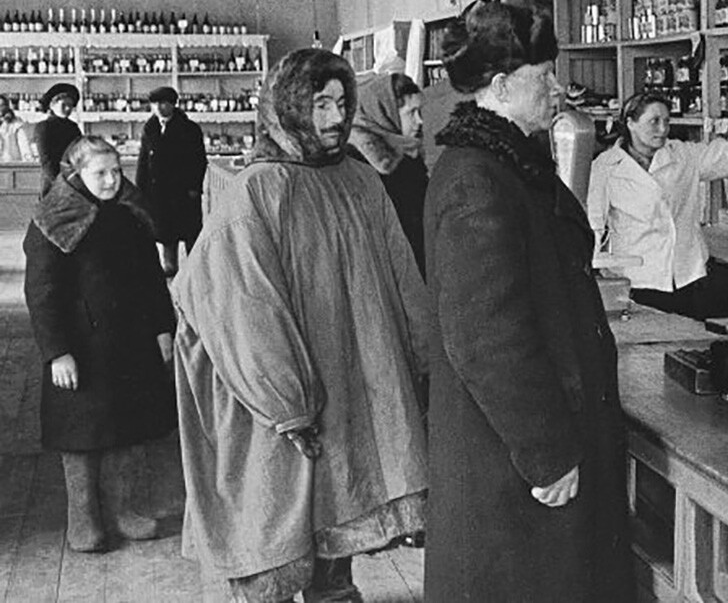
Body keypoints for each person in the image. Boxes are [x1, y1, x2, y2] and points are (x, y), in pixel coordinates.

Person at [171, 49, 429, 603]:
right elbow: (239, 307)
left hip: (349, 398)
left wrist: (422, 367)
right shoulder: (256, 192)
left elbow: (405, 284)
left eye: (342, 103)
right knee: (275, 549)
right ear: (290, 107)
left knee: (336, 540)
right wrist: (287, 404)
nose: (335, 119)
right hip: (281, 413)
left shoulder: (361, 182)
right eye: (320, 105)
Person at [423, 0, 632, 601]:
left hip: (520, 460)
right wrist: (548, 453)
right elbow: (486, 337)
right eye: (542, 76)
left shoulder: (508, 162)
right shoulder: (477, 181)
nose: (557, 88)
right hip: (514, 472)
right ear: (500, 85)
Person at [24, 136, 176, 553]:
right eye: (100, 173)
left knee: (129, 430)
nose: (112, 181)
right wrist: (57, 352)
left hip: (130, 344)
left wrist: (163, 329)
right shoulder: (52, 222)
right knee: (81, 437)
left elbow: (151, 279)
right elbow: (42, 293)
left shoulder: (130, 213)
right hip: (81, 350)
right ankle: (84, 521)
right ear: (75, 175)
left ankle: (124, 511)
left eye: (116, 171)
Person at [586, 90, 728, 318]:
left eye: (666, 122)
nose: (662, 129)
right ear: (630, 123)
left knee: (689, 344)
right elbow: (594, 223)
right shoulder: (606, 166)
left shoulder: (682, 155)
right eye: (654, 121)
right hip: (637, 280)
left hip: (687, 276)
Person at [346, 72, 427, 273]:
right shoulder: (354, 162)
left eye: (420, 112)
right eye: (411, 112)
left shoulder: (408, 153)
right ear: (386, 112)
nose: (420, 121)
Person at [135, 86, 208, 277]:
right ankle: (170, 267)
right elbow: (143, 160)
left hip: (182, 191)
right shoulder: (150, 128)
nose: (158, 108)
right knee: (166, 233)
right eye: (155, 104)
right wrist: (140, 188)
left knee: (190, 231)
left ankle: (195, 269)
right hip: (158, 191)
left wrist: (194, 187)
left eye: (163, 103)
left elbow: (199, 160)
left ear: (173, 105)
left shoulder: (189, 129)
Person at [33, 82, 82, 196]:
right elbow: (46, 161)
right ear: (52, 105)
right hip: (53, 183)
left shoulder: (73, 127)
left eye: (70, 105)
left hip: (74, 180)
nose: (68, 108)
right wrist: (61, 184)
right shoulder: (44, 127)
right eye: (64, 104)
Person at [0, 95, 36, 162]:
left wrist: (29, 160)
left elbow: (24, 145)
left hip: (9, 165)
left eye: (2, 106)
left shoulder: (16, 124)